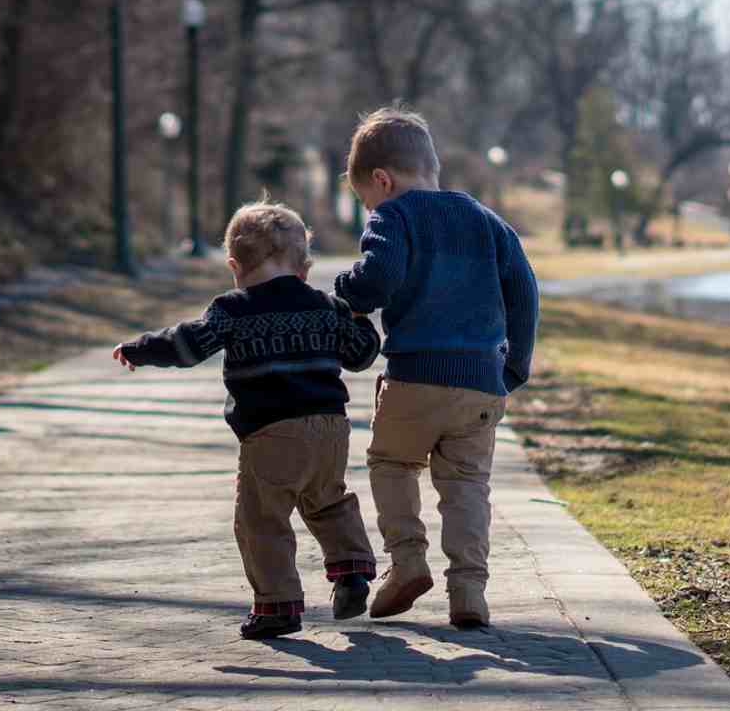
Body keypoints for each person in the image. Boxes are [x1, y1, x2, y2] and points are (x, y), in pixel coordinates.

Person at [113, 200, 380, 640]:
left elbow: (188, 345)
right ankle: (352, 573)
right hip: (330, 429)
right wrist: (359, 317)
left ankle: (277, 605)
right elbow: (361, 355)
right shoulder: (325, 305)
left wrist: (141, 349)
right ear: (304, 268)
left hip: (271, 432)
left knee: (261, 519)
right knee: (328, 500)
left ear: (234, 265)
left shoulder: (232, 309)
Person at [335, 107, 538, 628]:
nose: (369, 208)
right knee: (468, 484)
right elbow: (525, 292)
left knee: (393, 463)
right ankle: (469, 592)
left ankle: (406, 563)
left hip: (415, 376)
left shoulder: (393, 217)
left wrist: (345, 289)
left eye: (365, 200)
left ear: (382, 180)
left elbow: (377, 280)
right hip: (480, 382)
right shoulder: (488, 221)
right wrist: (514, 366)